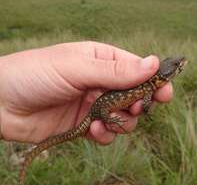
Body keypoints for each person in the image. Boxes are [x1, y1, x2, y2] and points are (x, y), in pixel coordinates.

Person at [0, 41, 172, 145]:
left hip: (98, 109)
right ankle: (108, 119)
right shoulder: (148, 87)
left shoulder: (148, 86)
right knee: (111, 121)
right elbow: (146, 105)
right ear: (160, 79)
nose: (178, 68)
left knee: (108, 123)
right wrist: (145, 111)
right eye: (176, 69)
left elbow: (145, 103)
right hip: (100, 111)